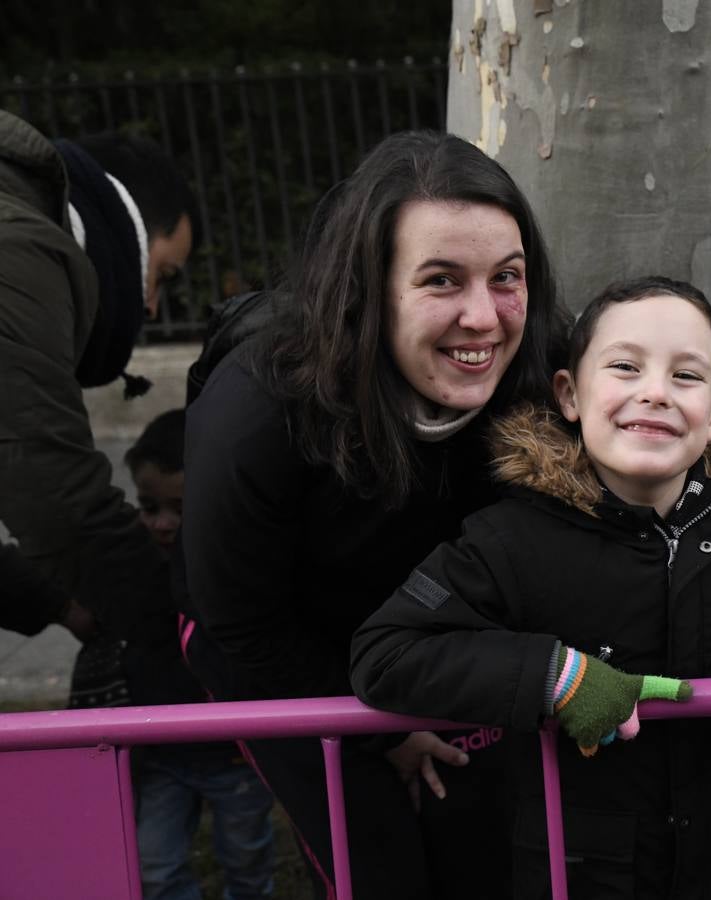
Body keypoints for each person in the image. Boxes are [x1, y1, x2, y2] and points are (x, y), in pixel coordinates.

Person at [177, 130, 567, 899]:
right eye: (442, 281)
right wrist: (382, 726)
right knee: (377, 863)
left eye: (507, 278)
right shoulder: (261, 406)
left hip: (427, 632)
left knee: (484, 845)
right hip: (273, 644)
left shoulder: (544, 368)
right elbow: (244, 621)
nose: (484, 318)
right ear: (369, 286)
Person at [351, 277, 711, 899]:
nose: (654, 393)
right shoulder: (512, 539)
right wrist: (553, 676)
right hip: (578, 869)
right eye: (625, 367)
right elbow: (385, 652)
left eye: (686, 376)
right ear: (570, 395)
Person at [0, 110, 194, 651]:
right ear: (126, 225)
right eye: (162, 276)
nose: (152, 308)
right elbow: (56, 499)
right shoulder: (15, 250)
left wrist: (53, 603)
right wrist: (185, 641)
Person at [120, 409, 276, 900]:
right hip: (163, 755)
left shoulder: (235, 568)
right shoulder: (130, 566)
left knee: (246, 859)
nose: (163, 524)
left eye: (178, 508)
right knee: (154, 864)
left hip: (234, 754)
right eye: (148, 507)